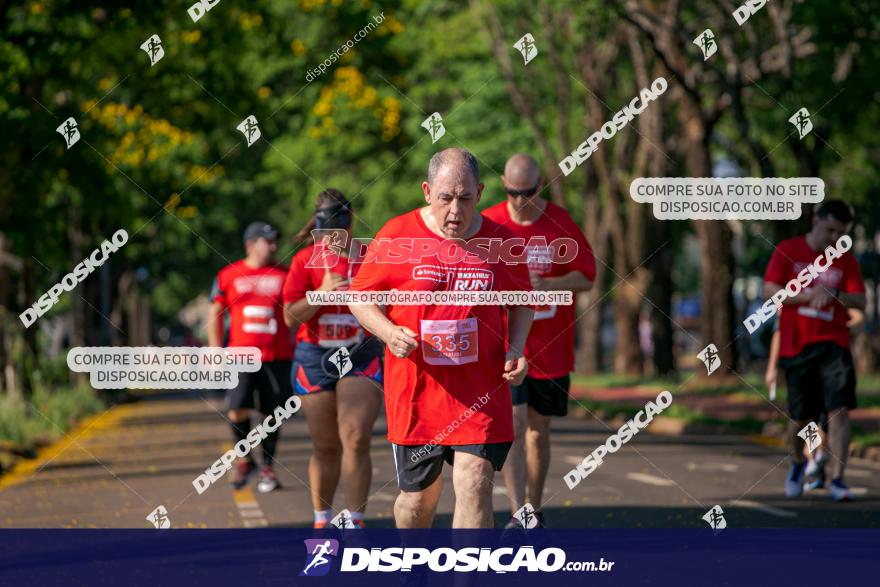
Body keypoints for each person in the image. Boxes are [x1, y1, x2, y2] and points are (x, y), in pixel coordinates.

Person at [348, 148, 535, 528]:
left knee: (474, 484)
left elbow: (522, 302)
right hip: (417, 395)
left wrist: (516, 348)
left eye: (465, 198)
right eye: (445, 198)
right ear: (426, 191)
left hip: (480, 391)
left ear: (480, 193)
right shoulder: (397, 235)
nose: (455, 210)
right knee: (417, 503)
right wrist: (387, 331)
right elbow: (359, 296)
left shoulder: (502, 242)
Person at [483, 154, 595, 528]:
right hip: (508, 348)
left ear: (540, 185)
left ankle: (535, 503)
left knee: (537, 431)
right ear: (504, 185)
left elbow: (587, 277)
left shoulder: (560, 222)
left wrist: (551, 285)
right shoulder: (491, 223)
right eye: (511, 192)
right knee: (514, 426)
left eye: (526, 193)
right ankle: (518, 514)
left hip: (551, 348)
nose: (518, 200)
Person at [282, 189, 384, 529]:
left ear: (350, 221)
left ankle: (356, 522)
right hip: (315, 354)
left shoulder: (371, 256)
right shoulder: (304, 261)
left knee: (355, 437)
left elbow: (393, 301)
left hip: (360, 351)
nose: (332, 240)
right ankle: (322, 520)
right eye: (326, 233)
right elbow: (289, 318)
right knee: (326, 446)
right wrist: (320, 294)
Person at [763, 200, 866, 501]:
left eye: (841, 233)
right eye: (830, 229)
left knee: (839, 409)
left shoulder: (845, 259)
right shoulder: (789, 249)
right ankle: (797, 462)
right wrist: (808, 294)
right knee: (799, 417)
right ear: (815, 220)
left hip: (834, 343)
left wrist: (834, 293)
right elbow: (769, 292)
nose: (834, 238)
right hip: (797, 345)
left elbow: (860, 299)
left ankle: (837, 479)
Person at [207, 222, 294, 493]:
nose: (273, 246)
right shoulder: (228, 275)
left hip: (277, 355)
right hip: (240, 355)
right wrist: (214, 348)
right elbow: (215, 312)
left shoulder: (286, 274)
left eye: (274, 241)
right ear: (250, 244)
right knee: (237, 407)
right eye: (266, 241)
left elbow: (296, 311)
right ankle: (245, 459)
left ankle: (267, 466)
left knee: (272, 414)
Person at [765, 306, 865, 491]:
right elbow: (779, 332)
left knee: (829, 416)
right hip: (801, 360)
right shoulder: (793, 297)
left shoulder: (833, 291)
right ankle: (807, 460)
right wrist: (772, 367)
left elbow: (857, 315)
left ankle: (820, 463)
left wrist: (847, 326)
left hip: (829, 361)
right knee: (804, 417)